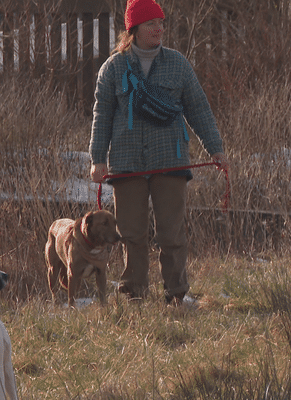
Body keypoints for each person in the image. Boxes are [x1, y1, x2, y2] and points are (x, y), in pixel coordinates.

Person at [89, 0, 229, 305]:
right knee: (131, 233)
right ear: (134, 29)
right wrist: (97, 158)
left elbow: (199, 109)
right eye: (152, 23)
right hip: (127, 163)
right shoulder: (113, 68)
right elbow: (102, 116)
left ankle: (177, 294)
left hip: (170, 159)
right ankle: (134, 294)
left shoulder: (178, 64)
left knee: (172, 234)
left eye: (161, 22)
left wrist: (215, 148)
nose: (159, 28)